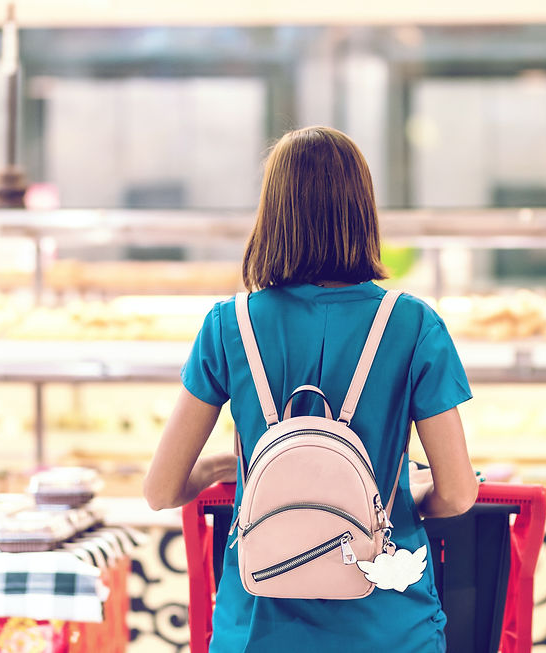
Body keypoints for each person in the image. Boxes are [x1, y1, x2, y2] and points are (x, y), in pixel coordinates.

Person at [144, 125, 478, 652]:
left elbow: (161, 491)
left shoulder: (229, 325)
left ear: (272, 214)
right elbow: (459, 495)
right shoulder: (413, 325)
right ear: (363, 210)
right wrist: (397, 505)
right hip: (387, 624)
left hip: (257, 628)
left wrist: (218, 470)